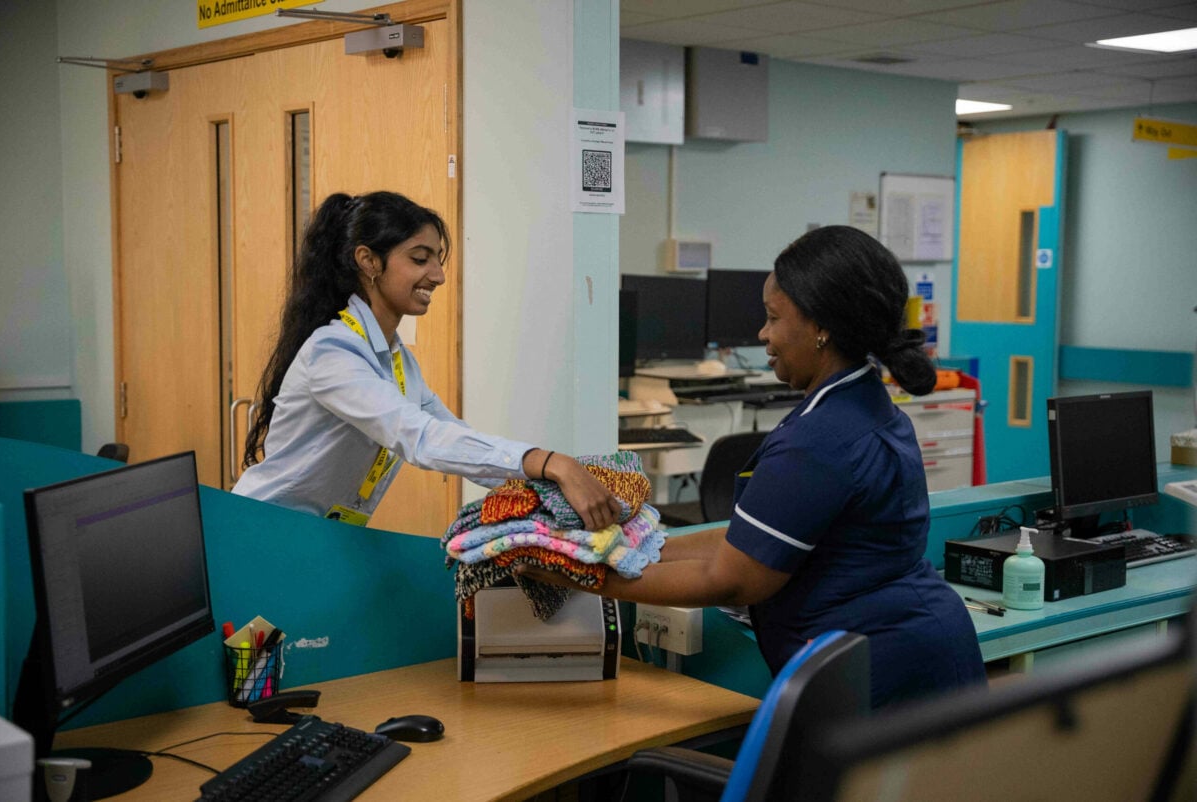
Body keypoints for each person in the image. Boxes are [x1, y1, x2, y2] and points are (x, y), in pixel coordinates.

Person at [521, 225, 986, 709]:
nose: (764, 335)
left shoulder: (821, 440)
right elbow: (747, 540)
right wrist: (637, 546)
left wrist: (576, 576)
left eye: (773, 318)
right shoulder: (864, 405)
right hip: (919, 647)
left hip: (879, 676)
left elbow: (731, 579)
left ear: (821, 325)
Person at [234, 190, 620, 532]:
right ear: (368, 261)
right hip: (262, 530)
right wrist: (552, 464)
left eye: (437, 259)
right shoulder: (332, 352)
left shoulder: (395, 359)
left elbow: (450, 434)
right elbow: (418, 437)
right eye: (420, 259)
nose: (437, 275)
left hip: (320, 535)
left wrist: (550, 489)